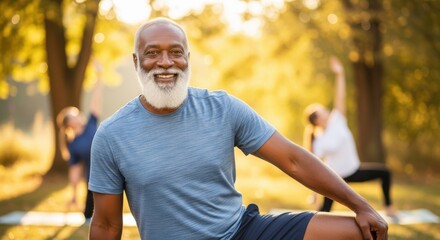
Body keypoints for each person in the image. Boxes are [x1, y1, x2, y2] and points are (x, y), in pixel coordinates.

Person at [89, 17, 388, 240]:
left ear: (187, 59)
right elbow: (105, 224)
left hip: (243, 231)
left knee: (362, 231)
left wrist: (361, 206)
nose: (165, 62)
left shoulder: (222, 108)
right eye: (153, 52)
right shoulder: (112, 135)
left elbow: (293, 159)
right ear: (136, 61)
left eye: (175, 52)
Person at [303, 56, 396, 217]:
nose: (326, 109)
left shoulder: (337, 121)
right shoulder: (319, 141)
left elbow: (340, 97)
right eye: (321, 110)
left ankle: (389, 207)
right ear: (317, 120)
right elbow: (314, 167)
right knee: (323, 213)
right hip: (335, 178)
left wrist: (340, 74)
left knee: (385, 172)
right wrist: (314, 194)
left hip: (353, 170)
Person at [56, 61, 103, 221]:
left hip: (109, 170)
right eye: (75, 114)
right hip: (93, 181)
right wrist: (74, 194)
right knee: (90, 216)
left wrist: (99, 76)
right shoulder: (74, 143)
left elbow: (96, 101)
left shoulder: (91, 123)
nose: (79, 114)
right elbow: (75, 170)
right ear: (69, 123)